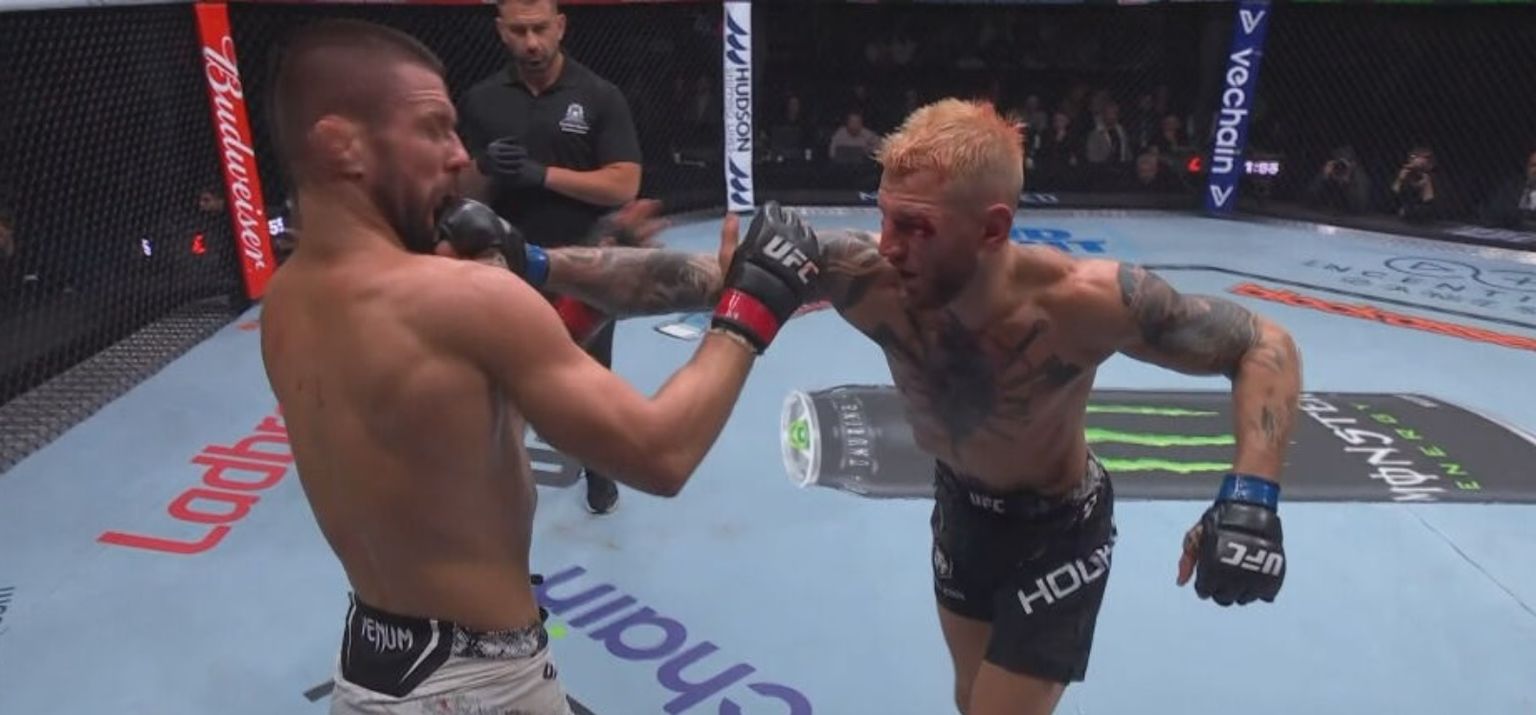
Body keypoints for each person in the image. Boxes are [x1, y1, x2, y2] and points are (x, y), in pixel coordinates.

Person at [533, 98, 1302, 715]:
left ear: (992, 228)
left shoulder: (1086, 301)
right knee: (970, 698)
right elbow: (698, 277)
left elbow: (1263, 342)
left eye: (915, 226)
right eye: (884, 216)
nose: (889, 244)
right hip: (961, 508)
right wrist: (535, 262)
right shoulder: (870, 276)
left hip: (1060, 529)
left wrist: (1252, 495)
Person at [255, 19, 822, 714]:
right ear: (341, 144)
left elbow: (465, 416)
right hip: (481, 689)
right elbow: (661, 453)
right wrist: (751, 307)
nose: (458, 156)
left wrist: (580, 299)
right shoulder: (461, 299)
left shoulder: (286, 303)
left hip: (371, 668)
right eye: (432, 130)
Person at [456, 0, 643, 514]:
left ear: (560, 26)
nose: (532, 42)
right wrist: (483, 167)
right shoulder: (481, 100)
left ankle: (600, 474)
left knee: (588, 376)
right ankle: (499, 486)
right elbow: (458, 191)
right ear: (501, 32)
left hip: (584, 263)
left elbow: (624, 182)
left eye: (540, 28)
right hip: (504, 264)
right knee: (502, 377)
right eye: (519, 31)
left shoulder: (599, 95)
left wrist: (542, 175)